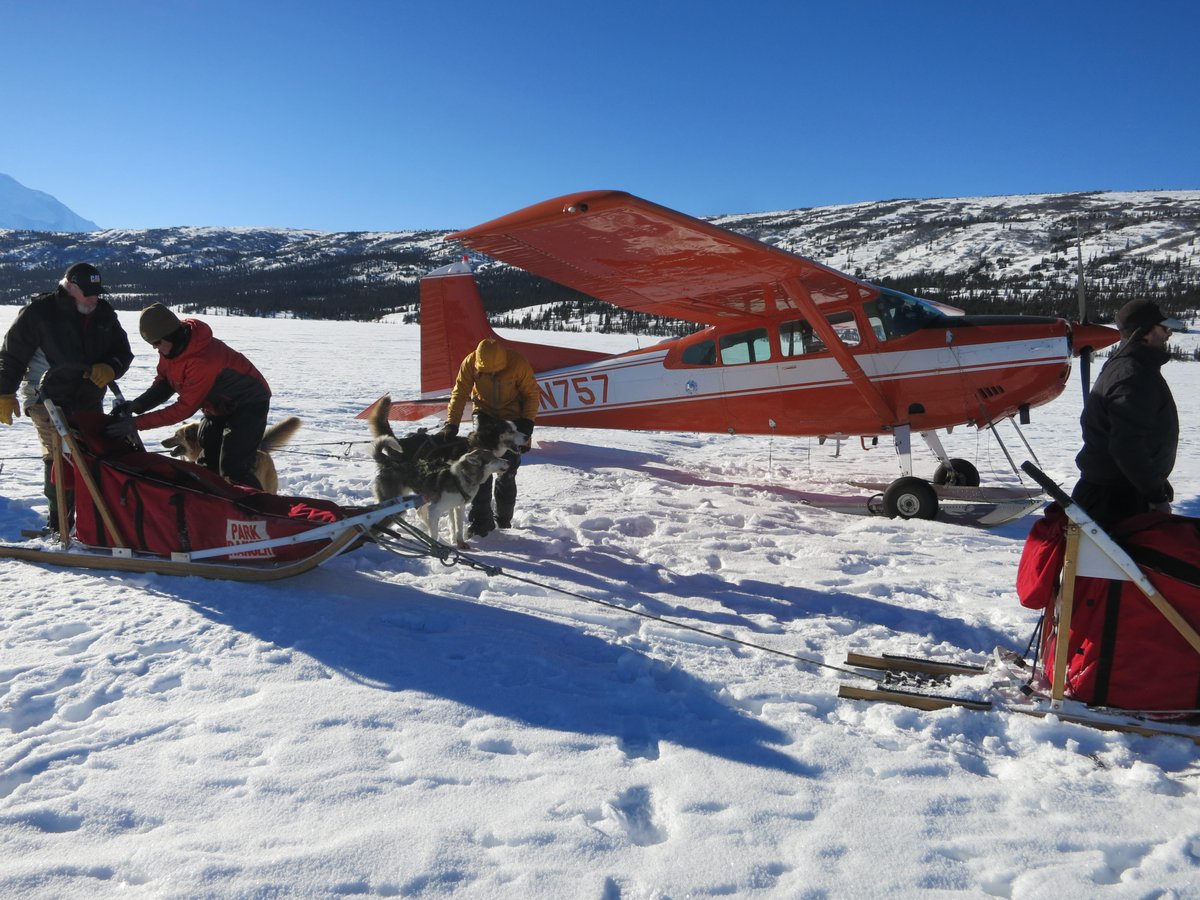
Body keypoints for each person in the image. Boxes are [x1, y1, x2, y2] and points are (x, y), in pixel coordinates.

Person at [0, 262, 133, 532]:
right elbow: (11, 356)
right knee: (57, 457)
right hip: (45, 396)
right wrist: (4, 391)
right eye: (88, 292)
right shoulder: (40, 312)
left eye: (97, 292)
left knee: (88, 457)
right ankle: (58, 523)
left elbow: (123, 350)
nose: (94, 298)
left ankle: (91, 523)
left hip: (89, 397)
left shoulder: (104, 313)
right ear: (70, 287)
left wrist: (112, 366)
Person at [106, 304, 271, 490]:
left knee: (233, 468)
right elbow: (164, 383)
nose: (155, 348)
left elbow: (183, 409)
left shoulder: (204, 360)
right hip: (218, 405)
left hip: (249, 403)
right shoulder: (171, 349)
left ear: (171, 336)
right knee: (207, 463)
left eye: (157, 343)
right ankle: (209, 510)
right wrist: (137, 405)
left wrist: (136, 424)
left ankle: (257, 512)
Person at [1072, 298, 1183, 528]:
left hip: (1120, 495)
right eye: (1164, 328)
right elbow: (1126, 445)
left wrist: (1154, 485)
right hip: (1116, 505)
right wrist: (1155, 495)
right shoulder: (1133, 375)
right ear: (1145, 333)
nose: (1169, 334)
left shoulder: (1131, 368)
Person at [442, 338, 538, 536]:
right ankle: (481, 520)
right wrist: (451, 424)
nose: (492, 374)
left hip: (513, 416)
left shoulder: (518, 363)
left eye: (496, 371)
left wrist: (527, 426)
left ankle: (503, 519)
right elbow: (459, 393)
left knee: (507, 469)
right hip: (484, 414)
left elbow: (531, 394)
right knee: (481, 468)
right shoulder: (470, 363)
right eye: (487, 372)